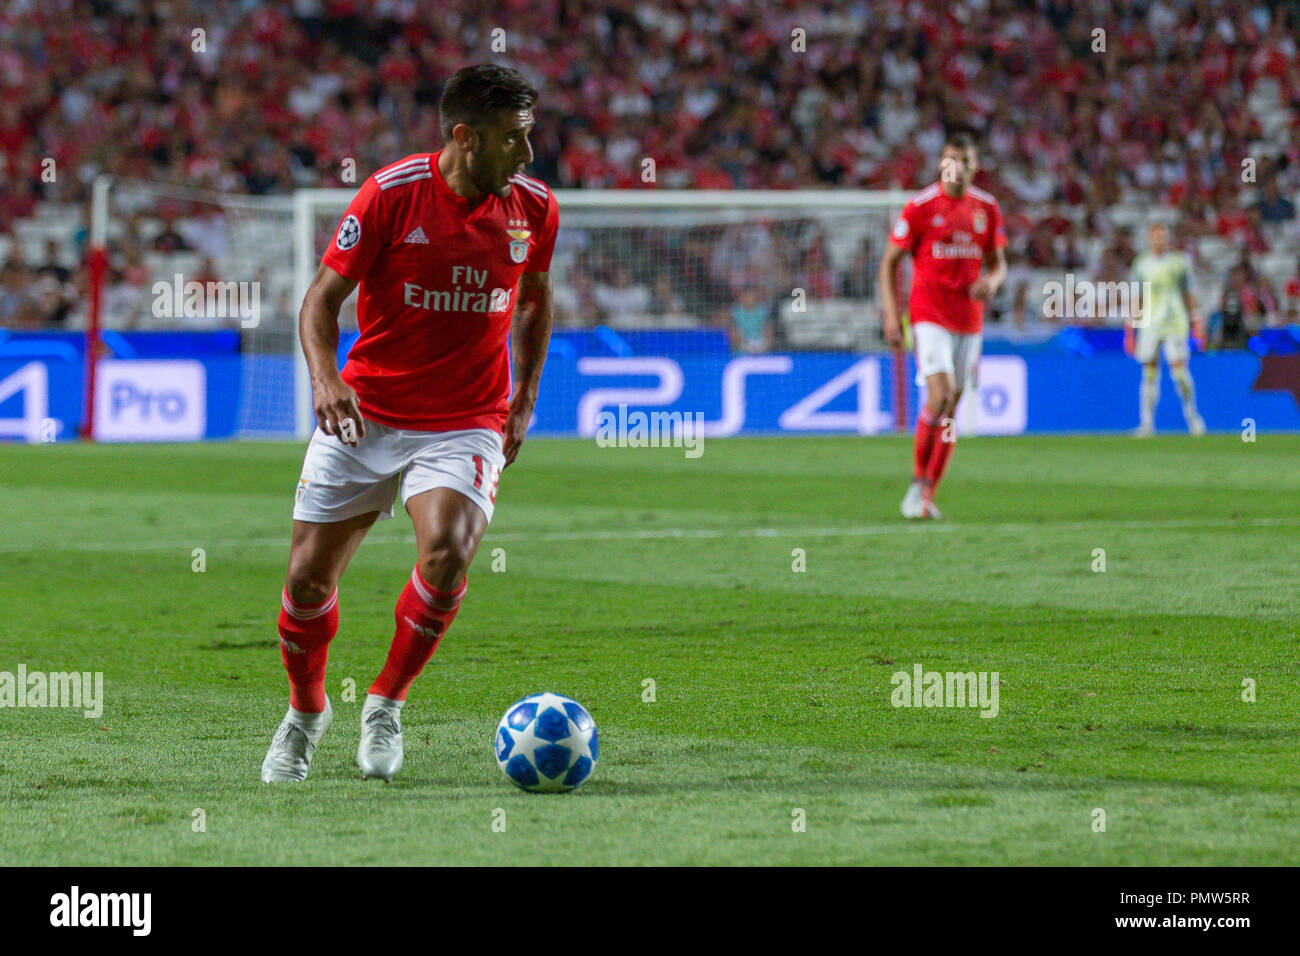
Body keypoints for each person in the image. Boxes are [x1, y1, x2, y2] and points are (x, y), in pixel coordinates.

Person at [261, 64, 558, 783]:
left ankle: (385, 702)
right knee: (305, 580)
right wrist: (326, 380)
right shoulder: (391, 195)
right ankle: (306, 713)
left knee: (449, 551)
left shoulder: (535, 209)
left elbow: (535, 300)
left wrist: (523, 400)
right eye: (514, 139)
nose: (526, 155)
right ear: (465, 136)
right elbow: (320, 302)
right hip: (367, 411)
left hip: (466, 418)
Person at [879, 131, 1007, 519]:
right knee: (941, 392)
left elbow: (999, 262)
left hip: (969, 320)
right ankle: (918, 481)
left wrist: (994, 281)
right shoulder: (920, 207)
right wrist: (890, 314)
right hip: (928, 315)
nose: (958, 168)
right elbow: (889, 263)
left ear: (975, 165)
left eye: (966, 161)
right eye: (951, 160)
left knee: (951, 409)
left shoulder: (987, 208)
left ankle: (928, 492)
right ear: (941, 163)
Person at [1126, 223, 1205, 436]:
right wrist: (1130, 328)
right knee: (1149, 373)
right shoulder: (1141, 264)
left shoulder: (1180, 262)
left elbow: (1189, 294)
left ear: (1168, 239)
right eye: (1156, 236)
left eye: (1164, 236)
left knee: (1179, 372)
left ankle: (1193, 417)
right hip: (1150, 322)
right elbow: (1136, 297)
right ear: (1150, 239)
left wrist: (1196, 322)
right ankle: (1147, 424)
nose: (1160, 240)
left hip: (1175, 322)